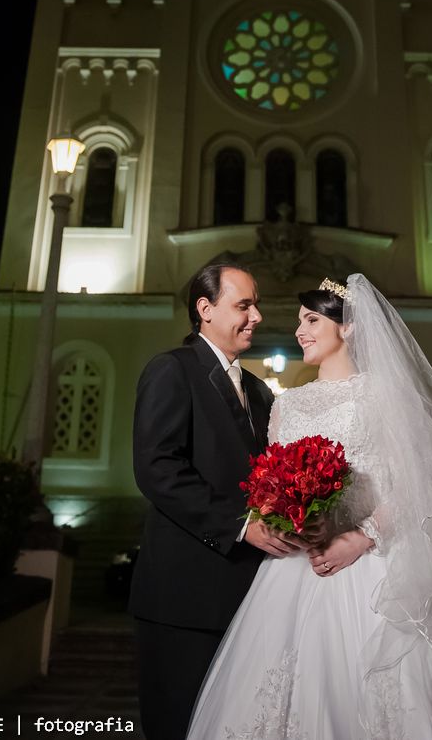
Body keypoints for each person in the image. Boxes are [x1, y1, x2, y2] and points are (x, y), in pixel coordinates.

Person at [187, 274, 432, 740]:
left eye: (312, 320)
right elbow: (271, 482)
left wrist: (362, 537)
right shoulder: (285, 405)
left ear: (349, 326)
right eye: (299, 321)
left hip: (372, 564)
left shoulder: (383, 394)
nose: (299, 331)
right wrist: (289, 519)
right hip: (297, 566)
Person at [129, 262, 305, 740]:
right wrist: (240, 525)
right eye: (244, 305)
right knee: (179, 724)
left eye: (256, 305)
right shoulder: (172, 369)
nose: (257, 316)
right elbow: (157, 468)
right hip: (183, 596)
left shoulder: (258, 391)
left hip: (248, 595)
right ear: (205, 309)